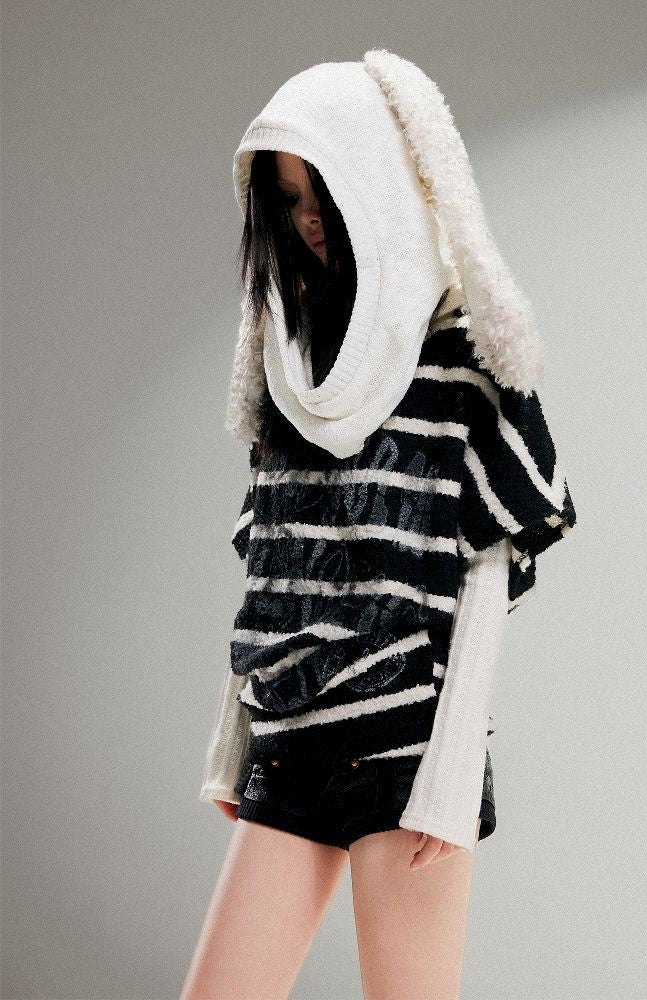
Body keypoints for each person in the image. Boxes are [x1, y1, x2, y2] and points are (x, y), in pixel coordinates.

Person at [181, 49, 576, 1000]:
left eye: (323, 191)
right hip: (291, 742)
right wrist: (236, 743)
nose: (308, 220)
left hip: (404, 752)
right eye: (287, 199)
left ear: (380, 185)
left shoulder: (459, 356)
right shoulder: (292, 369)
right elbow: (276, 572)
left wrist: (449, 778)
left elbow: (483, 570)